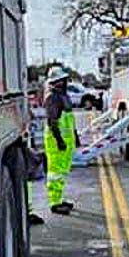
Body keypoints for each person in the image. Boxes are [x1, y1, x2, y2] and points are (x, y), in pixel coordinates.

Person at [40, 67, 77, 216]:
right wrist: (59, 140)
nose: (64, 82)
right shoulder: (53, 98)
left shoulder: (62, 96)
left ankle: (59, 199)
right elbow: (52, 122)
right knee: (55, 173)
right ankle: (54, 203)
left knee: (61, 173)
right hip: (56, 142)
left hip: (64, 141)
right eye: (61, 80)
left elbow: (68, 120)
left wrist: (74, 137)